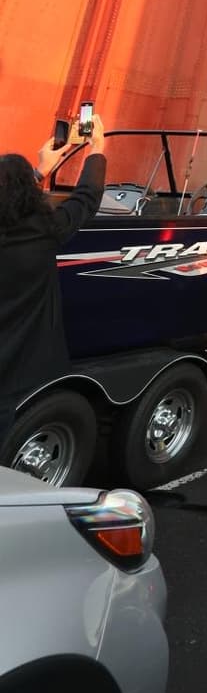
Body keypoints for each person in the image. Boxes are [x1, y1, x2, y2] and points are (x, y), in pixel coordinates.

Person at [0, 114, 107, 452]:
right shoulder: (43, 232)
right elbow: (87, 197)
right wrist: (96, 148)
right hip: (26, 369)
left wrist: (39, 170)